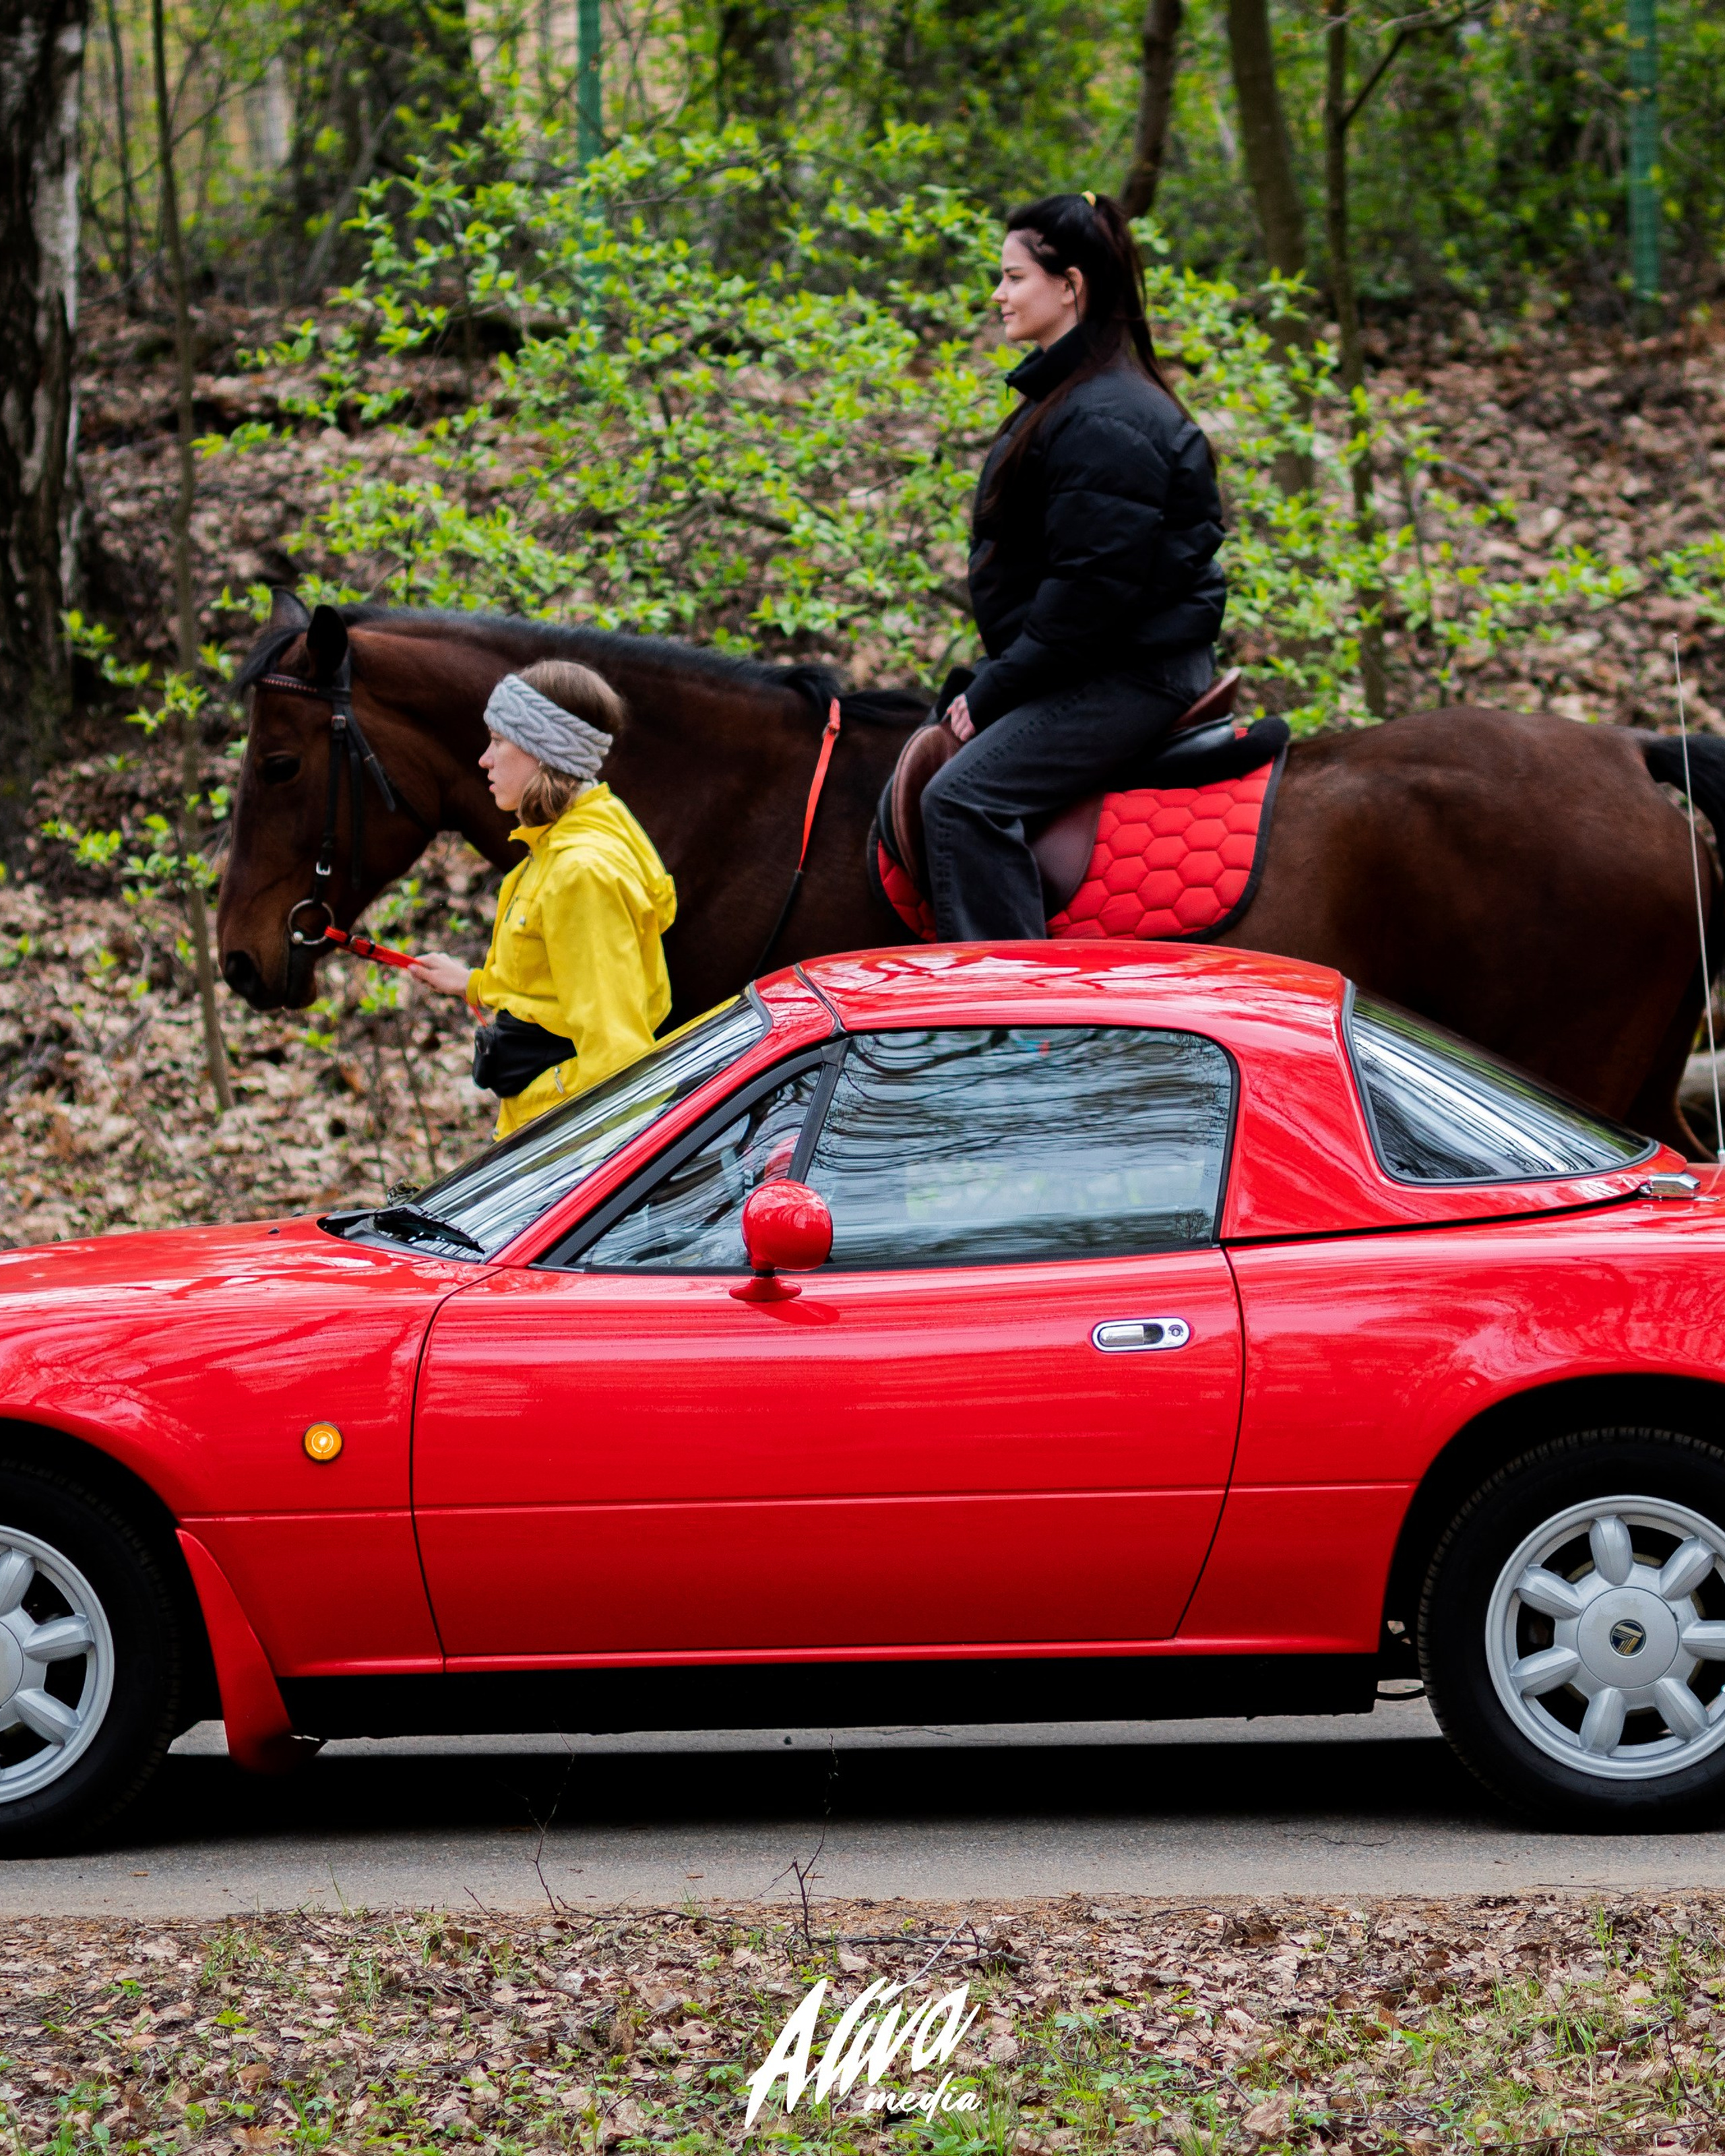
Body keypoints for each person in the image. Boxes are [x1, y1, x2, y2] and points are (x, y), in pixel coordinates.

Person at [924, 190, 1227, 941]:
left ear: (1070, 286)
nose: (998, 295)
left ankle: (1022, 1031)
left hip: (1128, 673)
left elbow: (1090, 595)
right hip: (1095, 661)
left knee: (961, 801)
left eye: (1013, 276)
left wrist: (998, 687)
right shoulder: (1075, 394)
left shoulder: (1104, 415)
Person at [408, 659, 677, 1137]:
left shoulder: (581, 874)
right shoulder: (554, 848)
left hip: (566, 1150)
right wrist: (471, 983)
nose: (484, 760)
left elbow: (618, 1057)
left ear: (543, 752)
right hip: (547, 1137)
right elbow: (550, 986)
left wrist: (542, 1093)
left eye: (498, 742)